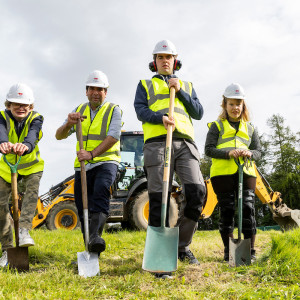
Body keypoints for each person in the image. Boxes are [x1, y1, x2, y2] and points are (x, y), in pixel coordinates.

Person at [134, 40, 206, 276]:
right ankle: (159, 258)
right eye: (160, 57)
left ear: (175, 60)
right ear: (154, 62)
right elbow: (140, 111)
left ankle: (181, 246)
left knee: (196, 192)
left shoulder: (187, 84)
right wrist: (160, 118)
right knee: (159, 198)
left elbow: (198, 112)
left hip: (185, 142)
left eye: (169, 57)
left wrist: (181, 90)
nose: (165, 61)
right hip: (157, 143)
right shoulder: (144, 84)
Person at [55, 70, 122, 255]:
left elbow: (114, 136)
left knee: (101, 189)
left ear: (105, 92)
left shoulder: (113, 110)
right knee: (82, 204)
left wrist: (91, 153)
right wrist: (68, 123)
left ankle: (95, 237)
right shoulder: (79, 111)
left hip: (107, 161)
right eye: (92, 88)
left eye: (100, 89)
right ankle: (91, 246)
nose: (95, 92)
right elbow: (58, 136)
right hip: (83, 166)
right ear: (86, 91)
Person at [204, 83, 261, 262]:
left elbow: (259, 151)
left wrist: (250, 153)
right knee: (227, 210)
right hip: (222, 174)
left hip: (247, 171)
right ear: (225, 105)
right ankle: (229, 252)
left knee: (248, 208)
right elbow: (208, 149)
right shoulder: (216, 126)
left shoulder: (250, 127)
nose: (235, 108)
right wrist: (228, 153)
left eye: (239, 104)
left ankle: (250, 251)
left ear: (243, 105)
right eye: (231, 104)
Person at [0, 83, 44, 266]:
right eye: (16, 104)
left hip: (32, 167)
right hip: (7, 169)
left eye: (25, 104)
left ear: (30, 106)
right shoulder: (2, 117)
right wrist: (3, 143)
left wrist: (26, 146)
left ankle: (24, 231)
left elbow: (33, 135)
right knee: (0, 207)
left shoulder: (37, 118)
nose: (21, 108)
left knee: (31, 195)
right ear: (9, 104)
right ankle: (7, 248)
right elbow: (1, 132)